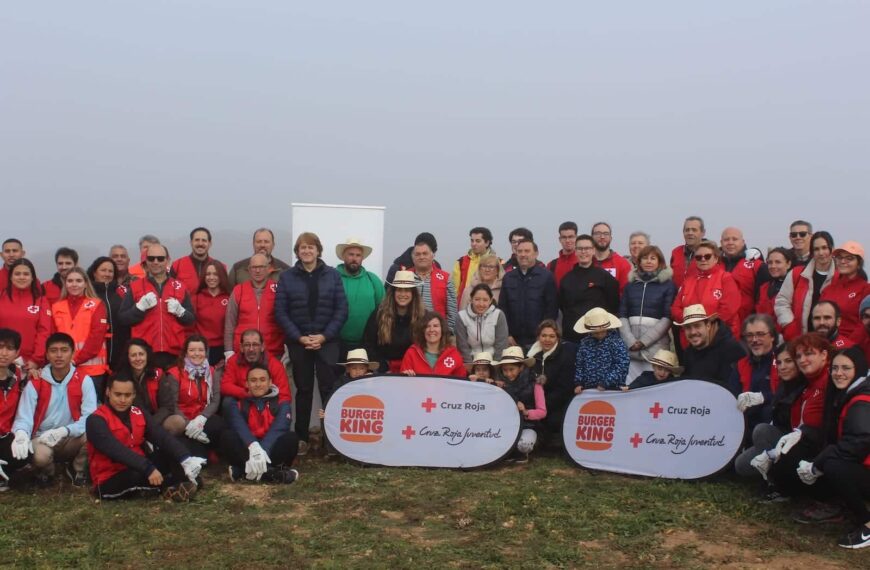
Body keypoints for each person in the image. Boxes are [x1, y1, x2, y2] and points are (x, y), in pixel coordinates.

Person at [275, 232, 347, 455]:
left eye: (310, 247)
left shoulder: (333, 275)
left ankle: (330, 439)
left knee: (328, 389)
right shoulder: (287, 277)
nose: (306, 251)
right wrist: (299, 337)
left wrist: (324, 336)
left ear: (318, 250)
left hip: (328, 342)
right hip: (300, 343)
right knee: (303, 390)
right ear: (297, 251)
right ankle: (302, 438)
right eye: (302, 247)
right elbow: (281, 312)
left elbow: (341, 309)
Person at [794, 347, 870, 549]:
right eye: (835, 368)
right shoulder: (848, 394)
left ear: (859, 369)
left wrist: (817, 464)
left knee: (833, 465)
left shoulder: (862, 401)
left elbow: (859, 442)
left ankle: (867, 522)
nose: (839, 373)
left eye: (846, 368)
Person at [86, 376, 204, 501]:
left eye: (127, 395)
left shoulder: (138, 412)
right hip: (110, 478)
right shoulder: (95, 420)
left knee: (173, 450)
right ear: (108, 392)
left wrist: (185, 458)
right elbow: (116, 451)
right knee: (135, 476)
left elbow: (161, 436)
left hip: (139, 466)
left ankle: (185, 478)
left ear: (134, 395)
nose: (122, 400)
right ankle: (171, 486)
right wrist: (148, 468)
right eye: (118, 394)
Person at [11, 333, 97, 486]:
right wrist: (21, 434)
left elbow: (90, 418)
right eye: (53, 350)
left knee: (94, 431)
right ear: (47, 354)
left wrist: (64, 431)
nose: (59, 355)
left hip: (70, 437)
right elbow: (24, 416)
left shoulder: (84, 380)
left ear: (72, 353)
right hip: (42, 438)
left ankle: (77, 469)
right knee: (41, 457)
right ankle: (48, 472)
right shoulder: (36, 382)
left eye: (64, 350)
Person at [764, 333, 832, 501]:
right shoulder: (808, 383)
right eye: (799, 356)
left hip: (823, 448)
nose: (802, 360)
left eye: (808, 354)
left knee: (784, 462)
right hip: (806, 441)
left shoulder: (830, 381)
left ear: (824, 355)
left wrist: (803, 434)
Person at [119, 244, 196, 369]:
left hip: (174, 354)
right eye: (151, 258)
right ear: (146, 261)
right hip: (144, 354)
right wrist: (139, 309)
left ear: (167, 260)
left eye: (160, 258)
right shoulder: (135, 287)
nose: (156, 262)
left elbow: (191, 320)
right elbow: (123, 319)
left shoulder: (180, 287)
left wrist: (180, 311)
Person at [734, 342, 801, 481]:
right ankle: (770, 470)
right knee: (741, 465)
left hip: (797, 443)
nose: (783, 367)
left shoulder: (804, 385)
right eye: (779, 362)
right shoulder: (783, 385)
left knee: (761, 430)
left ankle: (775, 481)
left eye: (788, 361)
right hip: (779, 437)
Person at [221, 365, 299, 484]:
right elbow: (240, 428)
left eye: (262, 380)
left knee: (291, 438)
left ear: (270, 382)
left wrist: (262, 452)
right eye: (253, 380)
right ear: (247, 384)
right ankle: (272, 474)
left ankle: (244, 472)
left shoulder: (282, 403)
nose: (258, 384)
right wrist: (254, 448)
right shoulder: (238, 404)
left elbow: (279, 429)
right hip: (248, 451)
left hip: (270, 449)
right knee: (227, 436)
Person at [618, 245, 676, 380]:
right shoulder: (630, 286)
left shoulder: (668, 285)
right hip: (631, 351)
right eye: (645, 258)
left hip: (656, 351)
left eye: (653, 258)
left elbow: (667, 317)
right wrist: (630, 341)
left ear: (660, 262)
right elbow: (622, 315)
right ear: (639, 262)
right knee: (631, 388)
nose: (648, 261)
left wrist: (643, 342)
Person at [51, 267, 109, 400]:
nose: (74, 284)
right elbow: (53, 338)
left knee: (92, 408)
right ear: (65, 284)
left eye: (78, 280)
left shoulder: (96, 305)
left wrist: (74, 360)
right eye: (70, 281)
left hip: (91, 371)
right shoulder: (57, 307)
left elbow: (96, 337)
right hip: (64, 369)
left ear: (85, 283)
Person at [671, 240, 742, 342]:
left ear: (716, 258)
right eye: (698, 257)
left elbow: (729, 308)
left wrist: (705, 325)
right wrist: (690, 322)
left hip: (720, 336)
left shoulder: (726, 278)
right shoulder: (688, 281)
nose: (703, 259)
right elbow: (675, 308)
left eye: (707, 256)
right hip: (692, 338)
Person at [164, 335, 223, 457]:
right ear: (186, 352)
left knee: (218, 423)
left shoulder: (212, 372)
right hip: (183, 420)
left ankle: (207, 447)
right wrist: (188, 425)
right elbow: (172, 405)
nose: (196, 354)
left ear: (206, 352)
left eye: (201, 350)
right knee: (199, 455)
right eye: (192, 350)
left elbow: (215, 400)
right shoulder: (174, 373)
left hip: (201, 418)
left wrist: (202, 418)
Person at [775, 231, 836, 340]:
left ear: (832, 248)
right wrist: (789, 324)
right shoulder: (797, 274)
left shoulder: (840, 276)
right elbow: (782, 301)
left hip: (830, 340)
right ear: (811, 252)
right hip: (801, 338)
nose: (821, 253)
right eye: (816, 249)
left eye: (824, 248)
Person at [559, 235, 619, 344]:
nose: (583, 252)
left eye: (587, 248)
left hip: (597, 337)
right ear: (575, 251)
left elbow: (613, 305)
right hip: (572, 337)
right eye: (580, 248)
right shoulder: (566, 279)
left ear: (593, 250)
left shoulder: (604, 277)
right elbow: (563, 306)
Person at [499, 240, 558, 350]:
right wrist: (507, 334)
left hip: (538, 340)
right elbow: (503, 308)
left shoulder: (546, 277)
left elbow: (551, 309)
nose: (523, 254)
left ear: (536, 253)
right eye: (520, 251)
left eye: (527, 251)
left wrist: (543, 335)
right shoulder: (508, 278)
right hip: (513, 340)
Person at [224, 253, 284, 361]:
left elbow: (285, 321)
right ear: (249, 269)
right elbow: (230, 323)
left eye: (261, 267)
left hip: (273, 352)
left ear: (268, 268)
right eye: (254, 267)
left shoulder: (278, 290)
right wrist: (229, 351)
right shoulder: (238, 291)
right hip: (243, 352)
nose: (257, 270)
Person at [363, 271, 426, 373]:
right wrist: (382, 366)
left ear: (413, 293)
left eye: (407, 290)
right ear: (393, 292)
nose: (403, 294)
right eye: (399, 290)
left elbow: (426, 347)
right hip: (384, 370)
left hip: (413, 370)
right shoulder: (379, 314)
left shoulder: (423, 316)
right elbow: (368, 344)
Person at [318, 348, 378, 455]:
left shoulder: (375, 382)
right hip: (347, 419)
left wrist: (371, 383)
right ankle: (335, 448)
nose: (358, 372)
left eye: (361, 368)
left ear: (367, 369)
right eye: (354, 368)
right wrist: (326, 410)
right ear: (348, 369)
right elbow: (332, 400)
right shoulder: (340, 383)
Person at [494, 346, 545, 463]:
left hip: (529, 426)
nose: (508, 373)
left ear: (521, 367)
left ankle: (518, 451)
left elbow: (542, 412)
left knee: (524, 445)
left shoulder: (536, 384)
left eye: (511, 369)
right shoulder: (500, 385)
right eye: (505, 370)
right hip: (506, 426)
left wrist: (525, 412)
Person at [528, 320, 577, 440]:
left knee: (552, 422)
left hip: (558, 403)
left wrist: (543, 406)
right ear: (538, 337)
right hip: (536, 402)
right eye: (544, 335)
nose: (547, 339)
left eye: (552, 336)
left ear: (557, 338)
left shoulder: (566, 355)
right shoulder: (531, 356)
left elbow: (564, 388)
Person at [0, 258, 51, 375]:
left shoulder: (41, 300)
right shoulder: (1, 298)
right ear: (10, 277)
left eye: (26, 274)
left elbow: (44, 332)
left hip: (30, 365)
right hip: (2, 362)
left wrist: (36, 360)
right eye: (17, 274)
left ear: (33, 277)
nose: (22, 277)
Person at [730, 314, 780, 433]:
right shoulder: (740, 365)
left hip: (774, 425)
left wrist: (763, 397)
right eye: (749, 335)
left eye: (760, 334)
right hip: (744, 426)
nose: (754, 340)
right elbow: (732, 395)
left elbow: (788, 395)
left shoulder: (782, 361)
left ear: (772, 336)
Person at [336, 238, 384, 359]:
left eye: (358, 255)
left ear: (362, 258)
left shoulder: (373, 280)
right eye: (351, 254)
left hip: (367, 345)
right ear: (343, 256)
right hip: (336, 344)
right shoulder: (332, 278)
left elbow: (384, 309)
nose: (354, 258)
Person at [115, 338, 179, 428]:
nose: (138, 359)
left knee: (177, 422)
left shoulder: (158, 374)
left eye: (141, 354)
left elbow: (167, 406)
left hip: (154, 421)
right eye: (133, 355)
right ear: (128, 357)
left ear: (147, 355)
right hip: (129, 422)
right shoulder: (118, 378)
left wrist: (151, 424)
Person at [676, 305, 745, 387]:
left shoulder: (731, 349)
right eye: (688, 327)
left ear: (708, 326)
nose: (693, 332)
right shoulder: (688, 353)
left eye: (697, 326)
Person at [221, 329, 291, 404]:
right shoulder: (233, 361)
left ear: (262, 347)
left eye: (255, 345)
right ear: (241, 347)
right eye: (247, 345)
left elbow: (284, 395)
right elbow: (225, 385)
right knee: (228, 401)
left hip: (267, 403)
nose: (251, 349)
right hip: (244, 401)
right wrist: (245, 393)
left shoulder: (275, 364)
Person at [718, 227, 769, 327]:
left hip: (748, 326)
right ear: (721, 243)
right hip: (719, 326)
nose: (730, 242)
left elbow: (764, 299)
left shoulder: (757, 266)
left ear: (742, 242)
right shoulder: (714, 265)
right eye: (726, 239)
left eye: (734, 239)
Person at [87, 256, 131, 371]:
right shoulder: (87, 294)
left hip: (120, 354)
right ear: (94, 273)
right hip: (95, 356)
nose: (107, 274)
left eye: (110, 271)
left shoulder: (122, 293)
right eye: (103, 270)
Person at [820, 241, 870, 340]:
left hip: (854, 345)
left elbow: (865, 323)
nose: (843, 261)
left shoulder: (866, 289)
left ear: (859, 263)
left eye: (849, 258)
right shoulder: (828, 289)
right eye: (839, 257)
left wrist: (846, 344)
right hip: (825, 343)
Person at [572, 308, 630, 392]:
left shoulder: (616, 342)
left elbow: (622, 364)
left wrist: (606, 382)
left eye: (603, 332)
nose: (600, 335)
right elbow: (580, 364)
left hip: (613, 389)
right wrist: (579, 382)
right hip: (589, 389)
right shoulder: (584, 343)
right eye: (596, 333)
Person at [0, 329, 29, 490]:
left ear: (17, 352)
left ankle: (5, 473)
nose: (4, 353)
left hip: (4, 435)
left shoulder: (18, 375)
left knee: (25, 454)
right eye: (0, 347)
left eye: (10, 348)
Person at [409, 237, 457, 332]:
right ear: (413, 258)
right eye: (418, 254)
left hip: (436, 334)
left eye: (425, 253)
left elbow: (452, 312)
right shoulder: (404, 276)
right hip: (409, 333)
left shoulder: (446, 278)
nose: (421, 257)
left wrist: (448, 333)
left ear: (432, 255)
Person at [400, 311, 466, 378]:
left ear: (442, 329)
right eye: (427, 326)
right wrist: (405, 376)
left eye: (435, 326)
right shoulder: (412, 353)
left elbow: (461, 380)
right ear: (422, 330)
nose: (431, 330)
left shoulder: (453, 354)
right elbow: (403, 380)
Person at [455, 284, 509, 363]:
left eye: (485, 300)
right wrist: (470, 366)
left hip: (493, 362)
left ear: (491, 300)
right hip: (471, 362)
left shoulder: (498, 315)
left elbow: (501, 344)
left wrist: (495, 365)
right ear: (471, 299)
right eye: (477, 299)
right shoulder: (461, 316)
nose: (481, 304)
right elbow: (462, 346)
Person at [192, 260, 230, 365]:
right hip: (201, 348)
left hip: (223, 348)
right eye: (208, 274)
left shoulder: (229, 298)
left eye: (215, 274)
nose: (211, 277)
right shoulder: (196, 298)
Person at [171, 227, 223, 296]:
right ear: (191, 243)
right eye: (197, 240)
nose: (200, 244)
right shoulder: (177, 265)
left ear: (210, 244)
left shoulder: (220, 267)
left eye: (204, 240)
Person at [453, 226, 497, 301]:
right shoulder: (461, 262)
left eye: (478, 241)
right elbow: (454, 291)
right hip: (465, 305)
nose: (473, 244)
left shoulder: (498, 263)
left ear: (487, 243)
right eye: (472, 241)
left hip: (489, 305)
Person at [590, 222, 632, 293]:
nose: (602, 237)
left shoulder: (622, 264)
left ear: (611, 238)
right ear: (591, 238)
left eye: (606, 234)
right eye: (598, 233)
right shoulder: (585, 263)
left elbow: (625, 294)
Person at [755, 247, 794, 322]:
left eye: (778, 262)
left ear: (788, 264)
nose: (773, 266)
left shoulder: (795, 287)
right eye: (770, 262)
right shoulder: (763, 288)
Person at [669, 216, 705, 288]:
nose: (690, 233)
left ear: (703, 233)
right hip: (677, 294)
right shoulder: (675, 252)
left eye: (694, 230)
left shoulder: (709, 255)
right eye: (687, 230)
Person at [547, 221, 579, 289]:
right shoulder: (551, 266)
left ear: (576, 238)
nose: (567, 240)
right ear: (560, 239)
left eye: (571, 237)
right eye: (564, 237)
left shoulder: (584, 262)